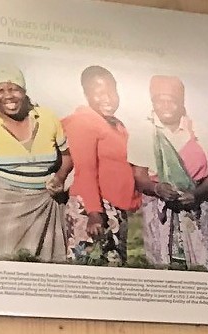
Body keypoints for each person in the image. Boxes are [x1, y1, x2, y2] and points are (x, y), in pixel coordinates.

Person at [0, 66, 71, 262]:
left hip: (46, 205)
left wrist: (60, 177)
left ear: (24, 91)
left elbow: (67, 157)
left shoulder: (47, 118)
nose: (8, 96)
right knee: (6, 265)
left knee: (49, 268)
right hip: (3, 209)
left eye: (14, 89)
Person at [133, 76, 208, 271]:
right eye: (159, 100)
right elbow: (139, 176)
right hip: (159, 208)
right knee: (162, 266)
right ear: (152, 101)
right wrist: (157, 188)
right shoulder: (143, 131)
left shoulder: (198, 130)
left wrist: (195, 194)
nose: (165, 106)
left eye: (171, 100)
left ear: (181, 102)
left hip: (196, 206)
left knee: (202, 266)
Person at [62, 67, 138, 266]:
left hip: (113, 210)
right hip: (90, 209)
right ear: (87, 94)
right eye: (99, 92)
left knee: (113, 273)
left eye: (112, 91)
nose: (108, 98)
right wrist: (94, 213)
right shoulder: (83, 122)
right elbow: (85, 170)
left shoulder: (116, 125)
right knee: (88, 270)